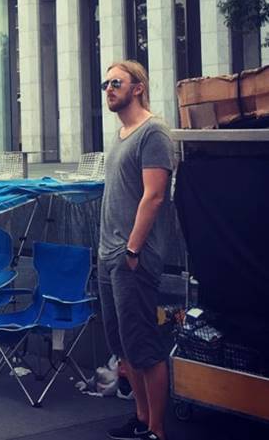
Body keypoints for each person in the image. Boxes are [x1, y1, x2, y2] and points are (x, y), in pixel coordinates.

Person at [98, 61, 174, 440]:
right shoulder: (122, 133)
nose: (109, 89)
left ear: (138, 87)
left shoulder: (154, 132)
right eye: (105, 84)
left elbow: (155, 196)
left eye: (116, 82)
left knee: (143, 344)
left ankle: (157, 430)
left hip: (133, 257)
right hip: (108, 255)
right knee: (123, 345)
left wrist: (132, 250)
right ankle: (142, 419)